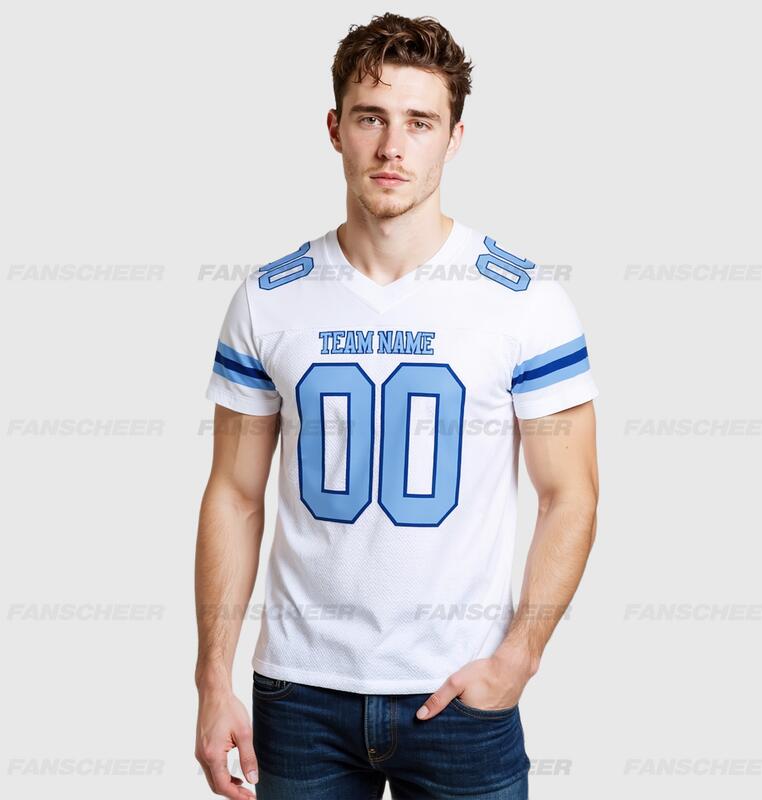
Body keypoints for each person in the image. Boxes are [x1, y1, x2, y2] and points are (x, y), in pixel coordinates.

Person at [194, 12, 599, 800]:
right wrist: (213, 679)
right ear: (335, 128)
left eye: (420, 122)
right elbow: (234, 495)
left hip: (460, 694)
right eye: (371, 117)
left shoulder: (525, 302)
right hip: (299, 693)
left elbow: (571, 496)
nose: (392, 147)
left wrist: (519, 657)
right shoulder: (269, 299)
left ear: (454, 138)